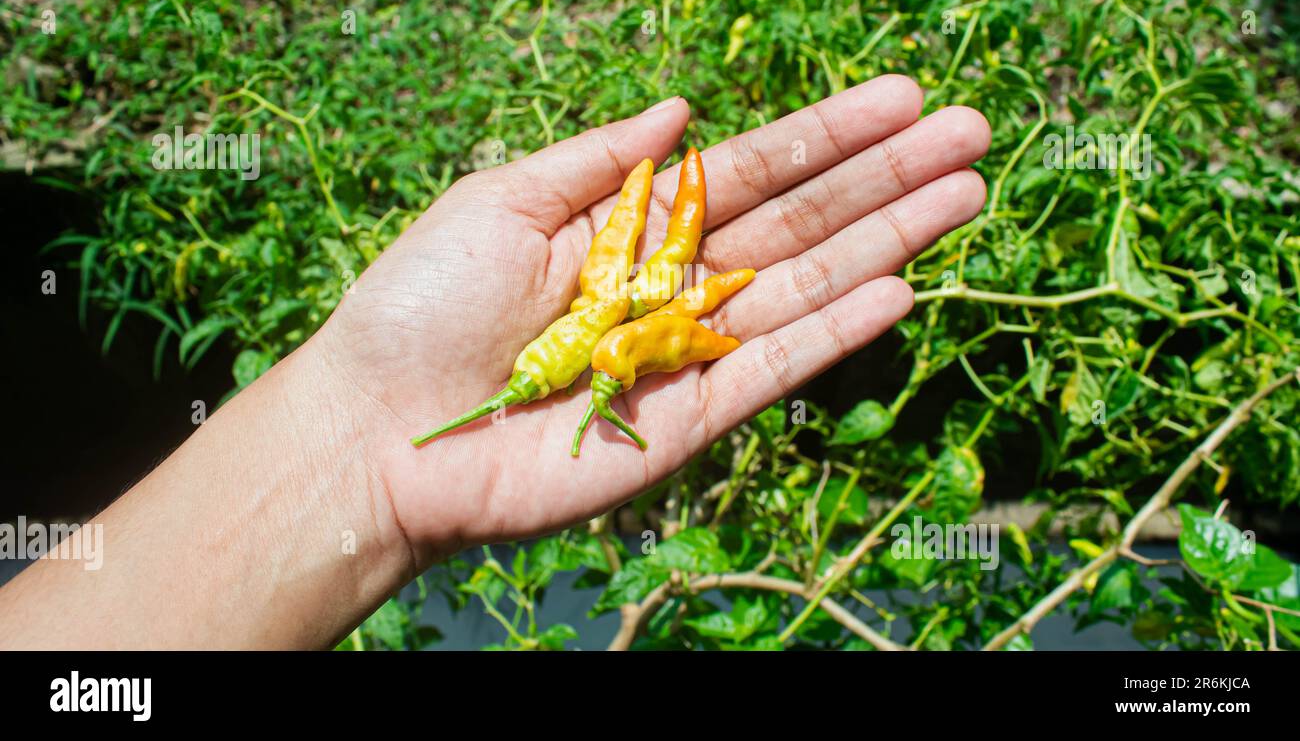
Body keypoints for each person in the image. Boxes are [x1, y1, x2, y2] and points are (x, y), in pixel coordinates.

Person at [0, 76, 990, 648]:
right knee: (673, 298)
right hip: (596, 343)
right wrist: (363, 430)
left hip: (606, 337)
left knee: (678, 296)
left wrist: (358, 447)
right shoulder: (595, 335)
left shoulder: (610, 326)